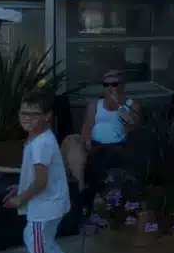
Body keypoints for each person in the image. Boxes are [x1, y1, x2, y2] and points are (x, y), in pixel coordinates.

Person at [3, 90, 80, 253]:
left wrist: (20, 199)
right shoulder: (40, 139)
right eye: (23, 113)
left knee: (39, 245)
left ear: (47, 116)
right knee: (36, 237)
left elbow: (40, 182)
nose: (26, 118)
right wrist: (21, 186)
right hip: (51, 202)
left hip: (45, 206)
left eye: (33, 114)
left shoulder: (40, 144)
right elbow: (39, 176)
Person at [60, 70, 141, 215]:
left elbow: (132, 126)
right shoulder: (94, 105)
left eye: (114, 84)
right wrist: (87, 141)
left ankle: (88, 199)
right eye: (106, 84)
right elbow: (87, 127)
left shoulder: (131, 104)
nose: (110, 88)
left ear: (123, 86)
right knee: (71, 141)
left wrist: (120, 106)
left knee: (105, 155)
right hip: (96, 144)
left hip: (118, 145)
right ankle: (78, 191)